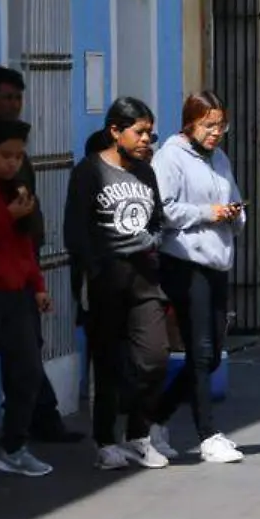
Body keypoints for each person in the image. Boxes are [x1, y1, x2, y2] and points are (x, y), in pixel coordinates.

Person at [0, 65, 83, 443]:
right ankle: (36, 421)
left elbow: (19, 225)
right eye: (7, 97)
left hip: (18, 268)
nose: (15, 105)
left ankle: (27, 431)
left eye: (18, 98)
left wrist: (34, 277)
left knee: (26, 359)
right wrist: (11, 217)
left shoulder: (14, 142)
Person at [64, 97, 171, 470]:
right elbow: (75, 232)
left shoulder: (146, 172)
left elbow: (157, 218)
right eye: (139, 132)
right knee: (108, 363)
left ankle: (140, 435)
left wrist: (152, 240)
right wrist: (92, 272)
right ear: (115, 131)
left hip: (144, 278)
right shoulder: (89, 172)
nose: (147, 140)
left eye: (150, 133)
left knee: (155, 357)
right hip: (106, 280)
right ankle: (106, 441)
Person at [148, 91, 246, 464]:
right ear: (190, 123)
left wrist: (235, 214)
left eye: (221, 125)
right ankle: (208, 434)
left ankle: (155, 416)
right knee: (201, 350)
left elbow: (232, 196)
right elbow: (165, 208)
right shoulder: (170, 157)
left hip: (218, 259)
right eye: (209, 125)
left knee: (212, 356)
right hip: (186, 262)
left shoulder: (219, 158)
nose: (216, 132)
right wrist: (208, 212)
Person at [0, 119, 54, 478]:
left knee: (28, 370)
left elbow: (23, 243)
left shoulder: (15, 189)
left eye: (19, 156)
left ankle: (14, 447)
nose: (13, 163)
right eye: (6, 155)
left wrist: (37, 284)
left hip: (15, 292)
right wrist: (6, 216)